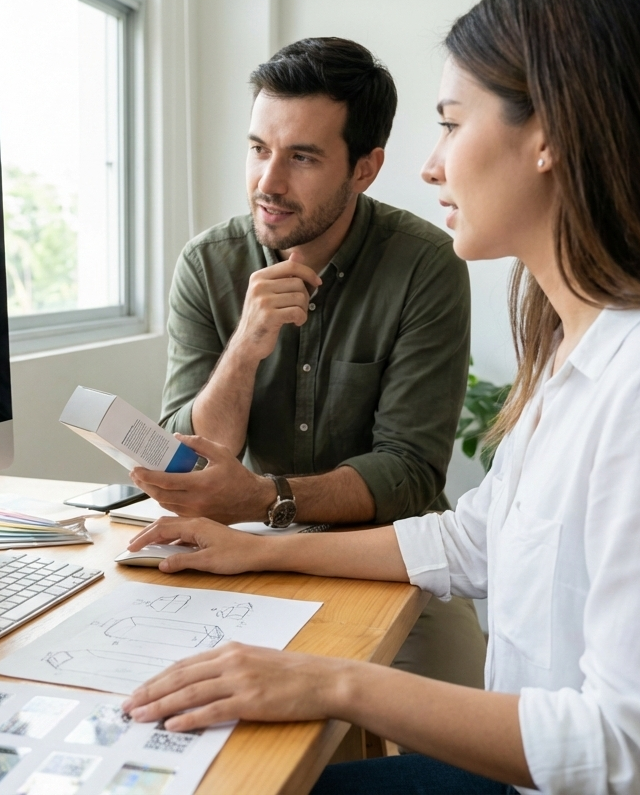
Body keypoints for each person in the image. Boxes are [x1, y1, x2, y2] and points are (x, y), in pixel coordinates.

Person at [121, 0, 640, 794]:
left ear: (551, 136)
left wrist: (328, 682)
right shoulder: (587, 345)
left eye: (450, 124)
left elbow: (628, 750)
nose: (432, 168)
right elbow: (475, 539)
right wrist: (255, 552)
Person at [133, 36, 486, 691]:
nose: (268, 182)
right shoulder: (208, 264)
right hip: (243, 549)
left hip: (389, 556)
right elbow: (186, 460)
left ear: (364, 168)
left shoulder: (425, 266)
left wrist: (269, 498)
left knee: (467, 709)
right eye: (259, 149)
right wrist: (244, 347)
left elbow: (409, 469)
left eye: (301, 157)